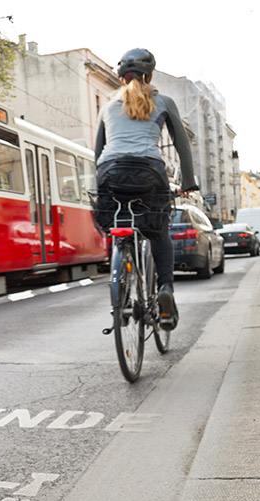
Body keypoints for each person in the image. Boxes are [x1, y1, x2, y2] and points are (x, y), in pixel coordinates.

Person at [94, 48, 197, 331]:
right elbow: (182, 146)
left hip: (110, 173)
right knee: (158, 232)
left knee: (119, 225)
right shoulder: (163, 101)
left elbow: (98, 151)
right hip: (150, 173)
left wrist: (100, 183)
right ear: (150, 76)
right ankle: (165, 287)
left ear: (121, 79)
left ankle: (122, 275)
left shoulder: (107, 107)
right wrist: (188, 181)